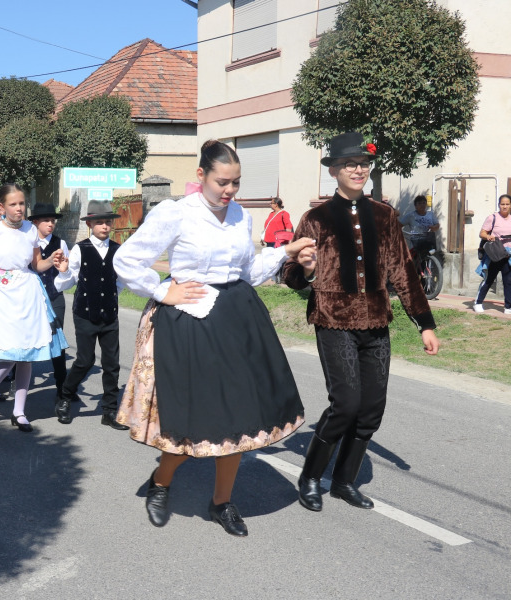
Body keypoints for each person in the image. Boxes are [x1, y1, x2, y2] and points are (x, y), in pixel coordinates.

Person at [114, 140, 312, 536]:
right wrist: (162, 290)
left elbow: (248, 271)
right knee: (190, 417)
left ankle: (221, 502)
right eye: (222, 182)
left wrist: (286, 252)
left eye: (236, 183)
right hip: (188, 322)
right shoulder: (176, 213)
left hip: (236, 319)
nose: (229, 191)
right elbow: (126, 259)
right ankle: (161, 482)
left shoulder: (240, 215)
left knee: (237, 416)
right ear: (201, 176)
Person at [282, 131, 439, 513]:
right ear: (334, 169)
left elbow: (403, 271)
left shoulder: (385, 216)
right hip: (333, 322)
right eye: (350, 164)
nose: (358, 169)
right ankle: (309, 477)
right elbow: (289, 273)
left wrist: (425, 323)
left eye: (363, 163)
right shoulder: (315, 219)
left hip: (376, 323)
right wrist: (303, 269)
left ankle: (343, 482)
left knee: (371, 409)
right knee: (346, 404)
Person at [0, 183, 68, 432]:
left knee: (27, 355)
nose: (19, 208)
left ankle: (19, 412)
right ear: (2, 206)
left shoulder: (31, 230)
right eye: (13, 204)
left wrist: (51, 262)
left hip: (26, 291)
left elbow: (36, 265)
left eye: (22, 203)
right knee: (10, 353)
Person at [52, 201, 127, 429]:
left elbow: (120, 282)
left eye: (108, 222)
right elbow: (64, 283)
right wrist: (63, 272)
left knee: (112, 363)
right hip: (85, 313)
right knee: (85, 360)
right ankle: (65, 397)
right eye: (100, 222)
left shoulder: (117, 249)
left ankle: (109, 410)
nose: (105, 226)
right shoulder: (80, 249)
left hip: (109, 316)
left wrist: (110, 298)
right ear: (90, 224)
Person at [30, 203, 69, 402]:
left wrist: (64, 271)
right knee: (25, 338)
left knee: (57, 341)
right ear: (35, 222)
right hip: (31, 298)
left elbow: (67, 271)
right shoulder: (28, 242)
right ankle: (14, 380)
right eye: (46, 220)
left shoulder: (61, 243)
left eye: (53, 220)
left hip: (54, 297)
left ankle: (62, 388)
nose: (50, 224)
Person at [474, 194, 511, 314]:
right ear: (499, 205)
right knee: (489, 279)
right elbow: (482, 233)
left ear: (510, 205)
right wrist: (489, 236)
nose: (505, 206)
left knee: (508, 281)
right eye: (502, 204)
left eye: (507, 204)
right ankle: (478, 303)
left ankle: (508, 307)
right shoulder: (492, 217)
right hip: (495, 254)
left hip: (508, 254)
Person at [400, 194, 439, 261]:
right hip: (416, 243)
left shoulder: (431, 214)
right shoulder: (411, 215)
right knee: (415, 261)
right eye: (419, 203)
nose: (422, 205)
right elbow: (399, 224)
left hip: (428, 241)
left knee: (427, 260)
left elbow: (437, 225)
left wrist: (433, 227)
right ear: (415, 206)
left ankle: (426, 270)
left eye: (424, 203)